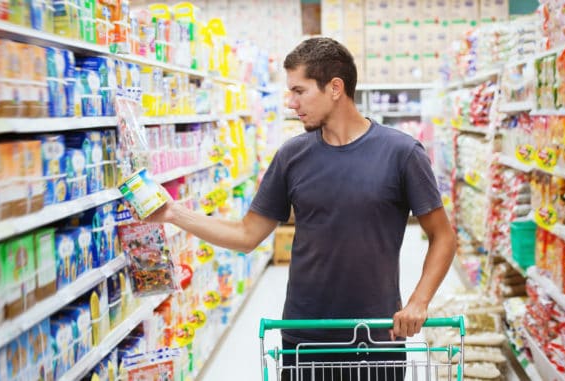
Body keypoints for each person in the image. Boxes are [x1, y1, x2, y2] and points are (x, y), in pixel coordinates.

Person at [127, 37, 456, 381]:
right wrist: (174, 213)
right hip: (303, 334)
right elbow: (246, 235)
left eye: (299, 91)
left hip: (375, 334)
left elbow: (442, 237)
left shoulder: (401, 153)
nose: (290, 102)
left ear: (334, 88)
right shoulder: (292, 156)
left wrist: (419, 302)